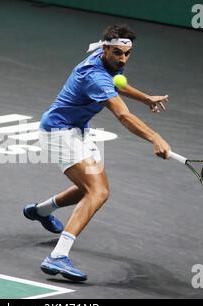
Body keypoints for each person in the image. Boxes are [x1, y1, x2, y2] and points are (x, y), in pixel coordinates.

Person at [23, 24, 171, 281]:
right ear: (105, 49)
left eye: (127, 54)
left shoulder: (104, 58)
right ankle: (58, 256)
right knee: (99, 192)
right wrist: (155, 137)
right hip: (59, 134)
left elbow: (116, 83)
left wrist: (146, 98)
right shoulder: (94, 75)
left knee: (88, 189)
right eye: (117, 53)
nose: (122, 59)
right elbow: (123, 115)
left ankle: (40, 211)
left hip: (78, 131)